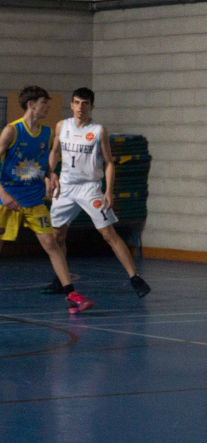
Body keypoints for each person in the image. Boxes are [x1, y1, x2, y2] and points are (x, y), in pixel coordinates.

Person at [0, 85, 94, 313]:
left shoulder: (46, 133)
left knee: (52, 245)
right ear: (31, 104)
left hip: (34, 201)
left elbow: (44, 165)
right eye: (44, 103)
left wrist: (51, 175)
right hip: (8, 201)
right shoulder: (12, 131)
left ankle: (72, 296)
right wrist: (3, 194)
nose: (48, 107)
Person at [45, 88, 150, 297]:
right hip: (65, 187)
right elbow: (55, 152)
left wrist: (108, 190)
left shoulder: (98, 131)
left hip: (89, 188)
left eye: (85, 103)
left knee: (108, 233)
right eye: (77, 102)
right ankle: (61, 279)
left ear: (91, 106)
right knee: (56, 235)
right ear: (71, 105)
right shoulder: (62, 126)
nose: (80, 107)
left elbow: (109, 163)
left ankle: (135, 278)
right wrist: (50, 173)